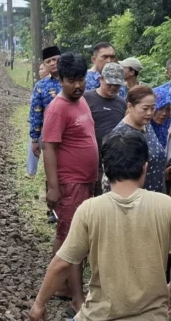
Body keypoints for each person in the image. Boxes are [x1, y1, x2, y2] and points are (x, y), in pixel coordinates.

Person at [29, 129, 171, 321]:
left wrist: (39, 304)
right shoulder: (165, 205)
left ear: (104, 166)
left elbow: (63, 263)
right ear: (144, 167)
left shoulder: (90, 209)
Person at [42, 52, 98, 315]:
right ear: (60, 80)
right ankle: (77, 298)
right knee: (74, 241)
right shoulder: (57, 108)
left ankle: (61, 285)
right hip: (69, 182)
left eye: (81, 79)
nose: (77, 85)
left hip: (86, 181)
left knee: (68, 236)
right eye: (71, 80)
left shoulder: (81, 102)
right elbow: (49, 148)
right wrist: (53, 186)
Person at [101, 86, 167, 194]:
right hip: (134, 201)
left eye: (153, 108)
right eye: (145, 109)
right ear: (130, 106)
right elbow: (110, 180)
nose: (150, 113)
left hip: (156, 194)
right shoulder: (121, 135)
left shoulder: (146, 124)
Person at [84, 62, 127, 196]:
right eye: (110, 83)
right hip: (90, 159)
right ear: (100, 79)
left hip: (113, 160)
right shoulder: (86, 98)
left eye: (117, 85)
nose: (113, 87)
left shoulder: (122, 103)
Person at [27, 46, 62, 177]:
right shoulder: (40, 86)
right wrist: (35, 139)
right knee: (52, 169)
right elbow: (36, 114)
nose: (52, 63)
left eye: (55, 59)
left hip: (73, 133)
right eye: (48, 61)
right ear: (44, 65)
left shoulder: (74, 79)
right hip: (50, 135)